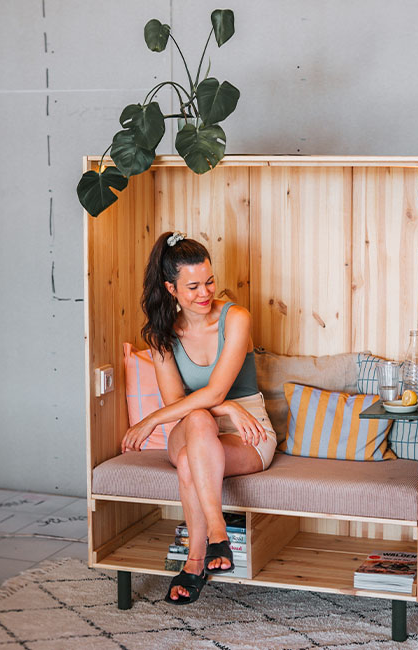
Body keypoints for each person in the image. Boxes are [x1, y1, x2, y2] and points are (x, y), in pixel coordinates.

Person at [120, 231, 276, 605]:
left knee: (192, 458)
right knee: (200, 420)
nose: (205, 293)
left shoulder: (235, 318)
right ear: (170, 288)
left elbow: (216, 391)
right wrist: (222, 407)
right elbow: (180, 401)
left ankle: (194, 562)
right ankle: (218, 536)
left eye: (209, 281)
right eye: (192, 287)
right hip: (192, 424)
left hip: (248, 428)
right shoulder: (162, 335)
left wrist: (150, 420)